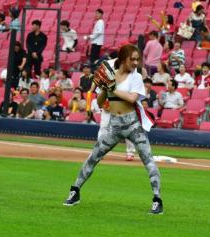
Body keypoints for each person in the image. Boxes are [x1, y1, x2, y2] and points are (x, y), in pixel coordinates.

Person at [63, 44, 163, 214]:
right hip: (114, 126)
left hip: (132, 125)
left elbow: (132, 99)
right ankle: (75, 191)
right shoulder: (111, 76)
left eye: (137, 59)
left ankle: (157, 200)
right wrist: (103, 89)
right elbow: (102, 102)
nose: (136, 62)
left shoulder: (136, 77)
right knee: (93, 157)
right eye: (133, 59)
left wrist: (112, 88)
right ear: (123, 59)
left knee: (148, 160)